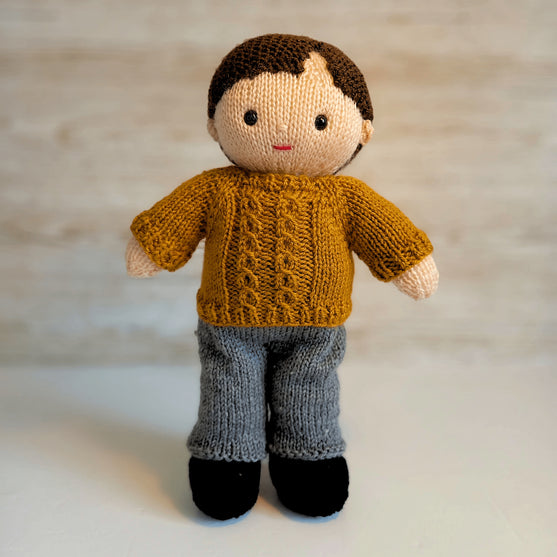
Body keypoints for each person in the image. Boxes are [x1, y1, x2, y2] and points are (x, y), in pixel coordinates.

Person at [126, 34, 439, 520]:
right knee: (229, 388)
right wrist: (152, 246)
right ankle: (227, 456)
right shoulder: (215, 189)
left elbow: (388, 235)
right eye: (251, 117)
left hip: (315, 326)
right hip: (231, 325)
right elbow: (172, 224)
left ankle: (307, 457)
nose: (283, 133)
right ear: (216, 123)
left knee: (310, 388)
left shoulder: (346, 197)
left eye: (320, 121)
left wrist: (408, 262)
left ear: (361, 131)